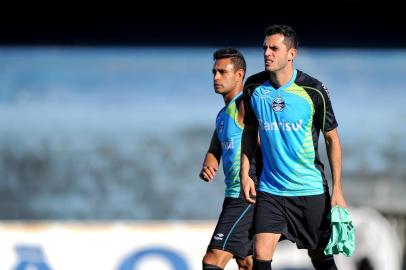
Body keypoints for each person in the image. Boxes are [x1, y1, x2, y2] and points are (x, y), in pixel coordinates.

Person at [240, 24, 347, 270]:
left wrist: (338, 190)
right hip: (270, 190)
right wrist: (245, 173)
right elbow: (249, 131)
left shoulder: (313, 90)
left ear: (291, 54)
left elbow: (332, 139)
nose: (267, 53)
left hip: (308, 190)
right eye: (265, 48)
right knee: (261, 252)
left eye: (274, 48)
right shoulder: (253, 88)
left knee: (320, 258)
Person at [199, 48, 262, 270]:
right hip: (233, 194)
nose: (216, 77)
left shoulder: (245, 104)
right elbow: (215, 147)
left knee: (212, 259)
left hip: (246, 195)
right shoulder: (222, 115)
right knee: (246, 262)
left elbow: (267, 139)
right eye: (214, 72)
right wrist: (210, 161)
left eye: (222, 72)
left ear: (239, 75)